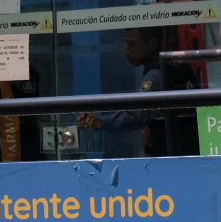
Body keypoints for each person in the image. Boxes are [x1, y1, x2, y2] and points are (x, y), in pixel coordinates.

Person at [77, 26, 200, 156]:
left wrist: (101, 122)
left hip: (177, 156)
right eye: (126, 44)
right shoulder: (177, 65)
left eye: (133, 44)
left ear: (151, 44)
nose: (127, 51)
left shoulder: (157, 75)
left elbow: (140, 113)